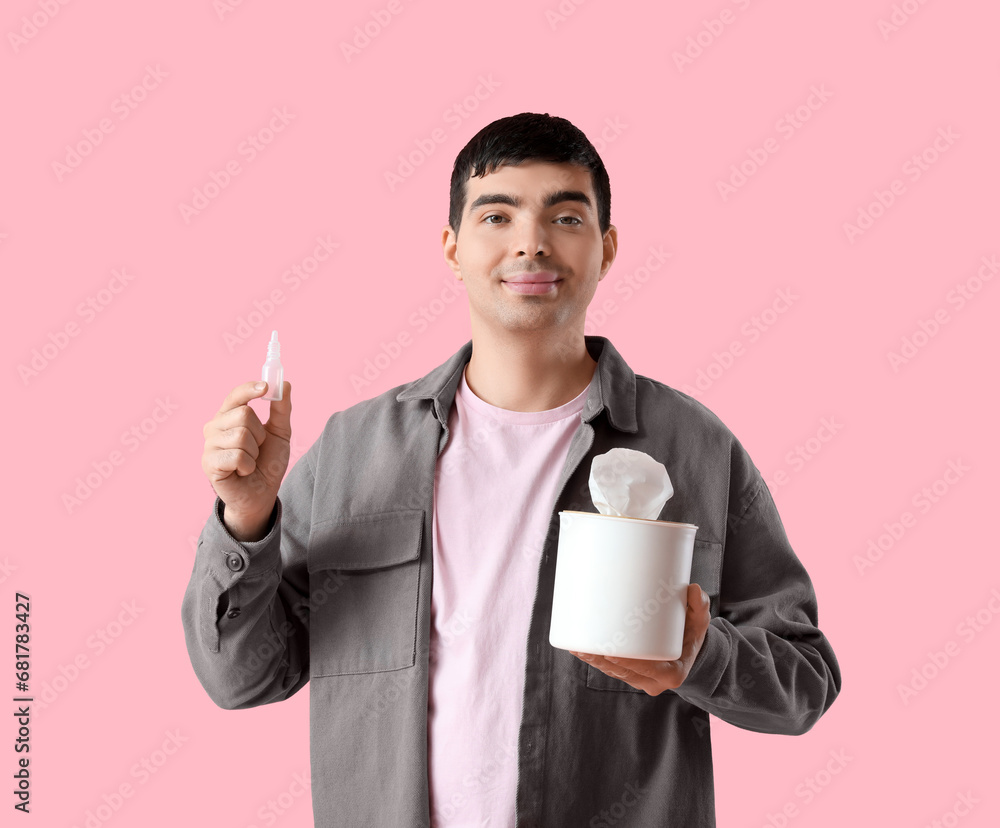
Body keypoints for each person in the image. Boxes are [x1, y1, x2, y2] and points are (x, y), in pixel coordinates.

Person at [182, 112, 842, 827]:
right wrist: (246, 519)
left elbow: (804, 681)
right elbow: (241, 679)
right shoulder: (352, 452)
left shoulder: (695, 450)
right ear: (452, 248)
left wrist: (700, 657)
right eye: (497, 215)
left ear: (607, 248)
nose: (530, 242)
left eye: (565, 215)